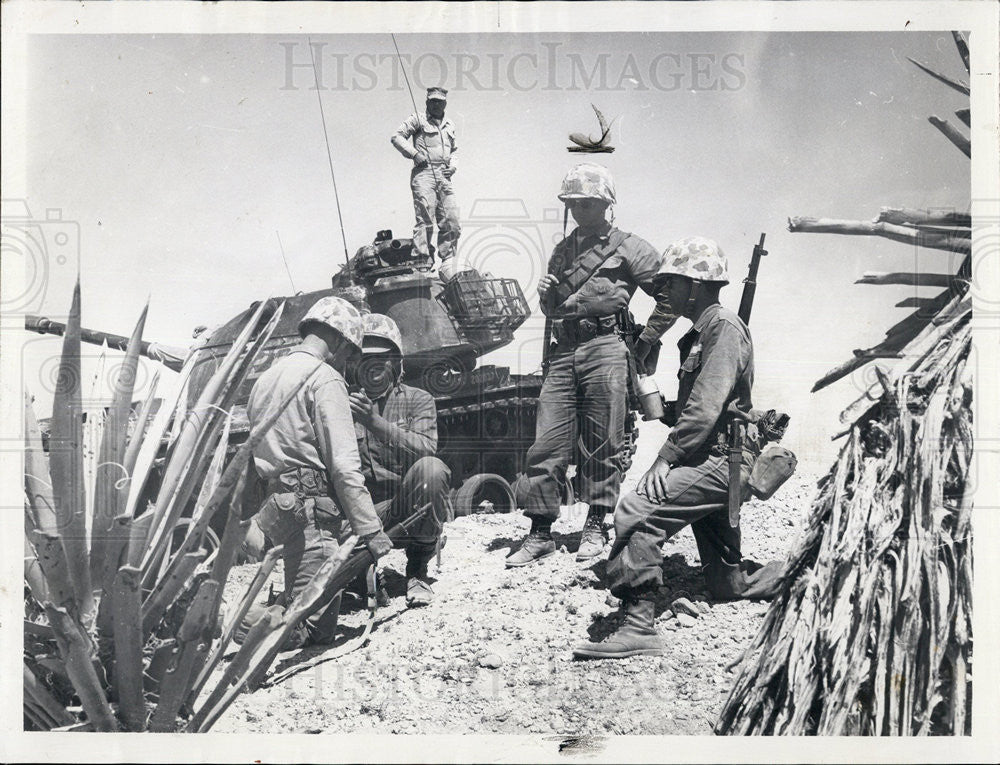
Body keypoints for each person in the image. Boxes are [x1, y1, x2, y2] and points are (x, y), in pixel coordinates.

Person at [573, 237, 783, 660]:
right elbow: (700, 406)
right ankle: (807, 570)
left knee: (636, 511)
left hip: (721, 461)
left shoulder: (722, 328)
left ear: (696, 284)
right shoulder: (703, 332)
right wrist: (658, 405)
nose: (663, 290)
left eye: (671, 282)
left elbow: (706, 410)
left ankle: (638, 626)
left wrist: (665, 458)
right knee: (729, 585)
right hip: (710, 457)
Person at [506, 163, 665, 567]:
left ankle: (595, 524)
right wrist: (546, 295)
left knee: (602, 438)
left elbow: (670, 295)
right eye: (573, 202)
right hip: (565, 348)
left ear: (605, 204)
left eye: (587, 202)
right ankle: (541, 530)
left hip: (607, 346)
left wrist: (646, 341)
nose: (579, 209)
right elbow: (555, 308)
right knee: (547, 441)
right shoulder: (564, 250)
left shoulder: (630, 247)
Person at [242, 296, 392, 649]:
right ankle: (222, 620)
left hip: (278, 505)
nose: (349, 362)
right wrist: (371, 531)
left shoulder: (265, 379)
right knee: (309, 629)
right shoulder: (324, 378)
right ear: (339, 340)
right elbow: (343, 464)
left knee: (304, 596)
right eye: (351, 353)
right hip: (312, 509)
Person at [348, 313, 452, 607]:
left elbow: (427, 449)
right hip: (362, 512)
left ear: (395, 361)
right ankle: (359, 573)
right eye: (363, 358)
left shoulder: (417, 399)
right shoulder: (341, 404)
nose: (371, 365)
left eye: (380, 358)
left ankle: (418, 569)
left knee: (431, 471)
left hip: (407, 508)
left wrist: (375, 423)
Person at [391, 86, 462, 281]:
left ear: (445, 103)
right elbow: (397, 137)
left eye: (439, 101)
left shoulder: (449, 124)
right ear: (427, 102)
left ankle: (448, 261)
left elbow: (454, 150)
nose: (436, 104)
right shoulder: (418, 119)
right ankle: (422, 260)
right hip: (424, 172)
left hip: (444, 175)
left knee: (452, 220)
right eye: (432, 101)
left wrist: (453, 167)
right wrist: (414, 154)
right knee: (426, 218)